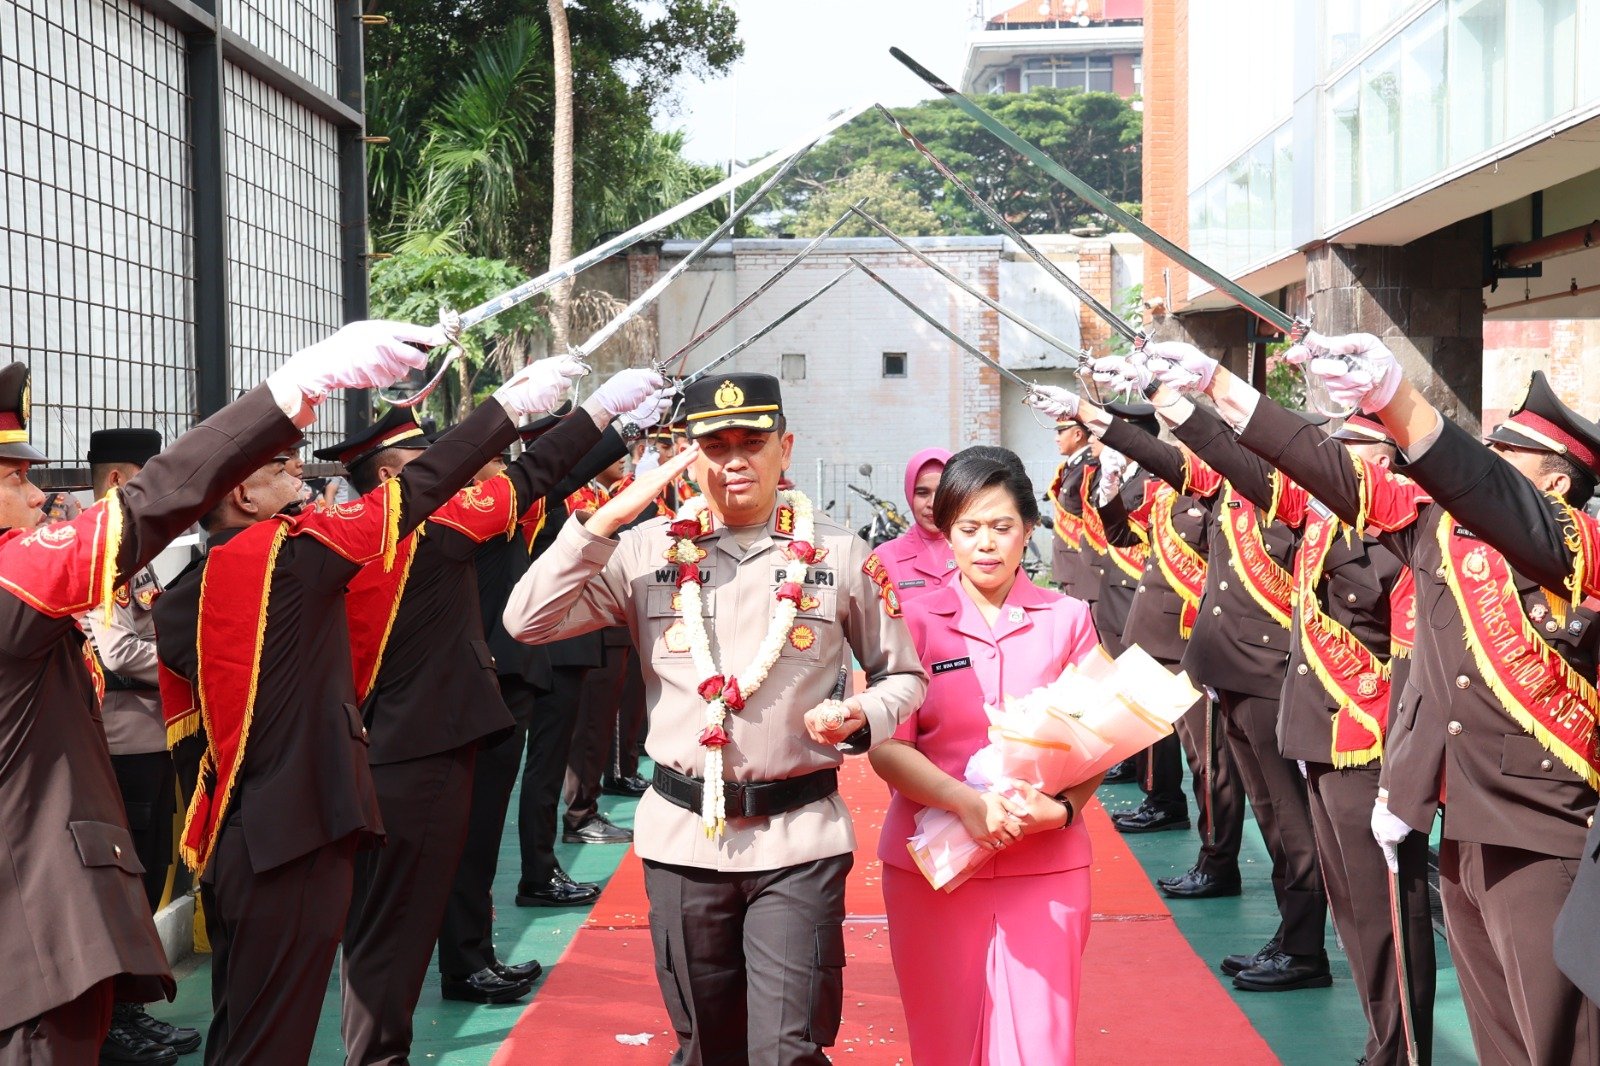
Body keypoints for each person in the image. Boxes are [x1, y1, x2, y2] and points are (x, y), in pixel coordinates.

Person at [1139, 338, 1600, 1062]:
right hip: (1470, 819)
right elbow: (1320, 470)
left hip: (1545, 832)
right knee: (1501, 1041)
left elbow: (1485, 493)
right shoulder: (1441, 530)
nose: (1482, 468)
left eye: (1508, 458)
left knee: (1560, 1044)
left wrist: (1400, 397)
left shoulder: (1576, 546)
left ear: (1560, 485)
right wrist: (1217, 386)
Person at [0, 324, 430, 1063]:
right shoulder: (12, 580)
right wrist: (290, 389)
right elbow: (147, 502)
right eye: (14, 478)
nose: (40, 492)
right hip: (35, 928)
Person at [155, 352, 587, 1065]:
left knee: (248, 1027)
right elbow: (425, 485)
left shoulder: (196, 588)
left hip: (244, 830)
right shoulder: (292, 562)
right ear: (241, 500)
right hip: (291, 832)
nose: (299, 478)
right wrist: (509, 412)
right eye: (278, 471)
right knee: (272, 1036)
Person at [502, 372, 928, 1065]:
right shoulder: (644, 552)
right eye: (715, 445)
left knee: (787, 1051)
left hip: (798, 840)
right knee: (705, 1047)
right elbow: (527, 620)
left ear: (784, 448)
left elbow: (904, 675)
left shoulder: (839, 554)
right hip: (683, 844)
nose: (734, 460)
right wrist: (604, 521)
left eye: (752, 443)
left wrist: (858, 715)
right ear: (688, 456)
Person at [336, 366, 664, 1064]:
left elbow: (535, 473)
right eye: (431, 464)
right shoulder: (423, 535)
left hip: (418, 734)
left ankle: (443, 983)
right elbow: (535, 472)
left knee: (408, 909)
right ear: (396, 474)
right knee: (392, 926)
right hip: (416, 744)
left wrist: (610, 420)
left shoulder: (360, 538)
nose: (448, 474)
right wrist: (594, 409)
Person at [1031, 381, 1331, 992]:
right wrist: (1097, 417)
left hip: (1271, 675)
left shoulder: (1288, 499)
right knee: (1272, 818)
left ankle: (1303, 948)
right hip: (1227, 672)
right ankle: (1288, 937)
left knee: (1290, 820)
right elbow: (1172, 466)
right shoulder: (1231, 496)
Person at [870, 447, 1102, 1065]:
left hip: (1046, 863)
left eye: (1003, 527)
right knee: (944, 1044)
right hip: (933, 866)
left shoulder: (1069, 620)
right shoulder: (913, 623)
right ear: (945, 536)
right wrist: (963, 802)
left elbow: (1104, 738)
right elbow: (888, 750)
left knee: (1041, 1049)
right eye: (969, 529)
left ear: (1029, 528)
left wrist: (1063, 811)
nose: (987, 544)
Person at [78, 428, 203, 1065]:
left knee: (151, 872)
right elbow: (118, 649)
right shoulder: (91, 548)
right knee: (123, 883)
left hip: (151, 734)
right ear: (123, 479)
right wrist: (193, 665)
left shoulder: (132, 547)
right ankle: (112, 1021)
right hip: (121, 740)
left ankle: (127, 1011)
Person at [866, 447, 955, 602]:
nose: (933, 503)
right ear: (909, 494)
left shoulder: (978, 552)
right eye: (922, 493)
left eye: (942, 493)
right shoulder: (884, 557)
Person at [1048, 417, 1094, 601]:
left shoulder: (1089, 466)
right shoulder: (1072, 466)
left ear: (1077, 434)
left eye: (1060, 432)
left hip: (1080, 560)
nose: (1056, 439)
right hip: (1070, 560)